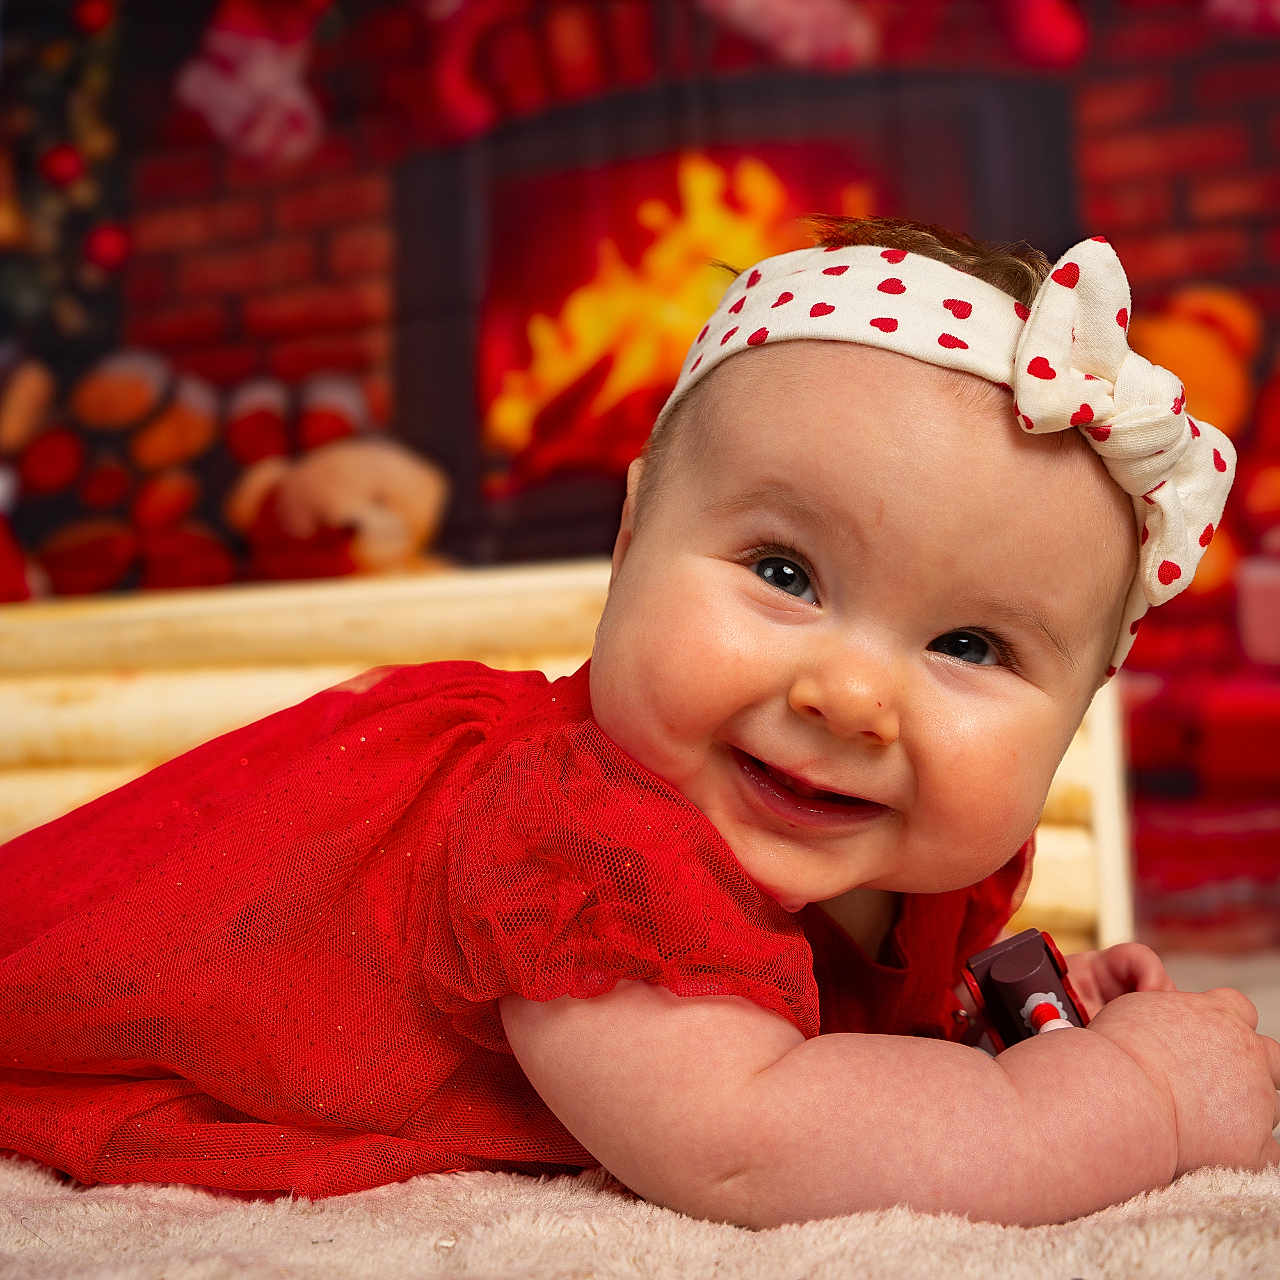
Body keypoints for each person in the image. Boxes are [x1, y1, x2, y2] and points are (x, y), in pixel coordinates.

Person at [0, 217, 1274, 1227]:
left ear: (1077, 706)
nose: (849, 694)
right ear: (626, 544)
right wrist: (1132, 1097)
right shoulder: (580, 845)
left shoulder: (884, 837)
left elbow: (831, 1020)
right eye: (782, 573)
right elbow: (744, 1140)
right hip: (124, 1025)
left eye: (968, 645)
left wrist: (1005, 1018)